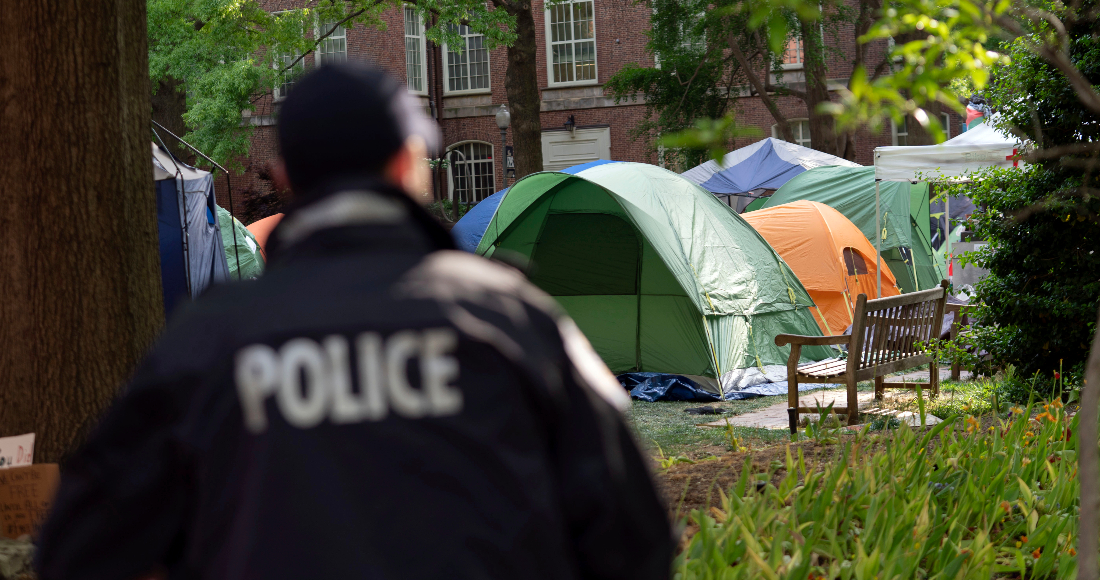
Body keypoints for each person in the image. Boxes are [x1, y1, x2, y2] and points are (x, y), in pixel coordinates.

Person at [36, 63, 672, 579]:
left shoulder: (208, 342)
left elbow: (81, 545)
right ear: (406, 163)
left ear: (286, 175)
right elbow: (635, 534)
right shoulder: (510, 319)